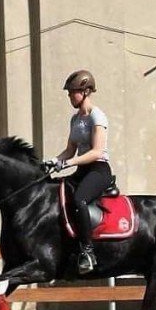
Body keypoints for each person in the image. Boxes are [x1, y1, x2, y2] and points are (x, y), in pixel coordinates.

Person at [45, 70, 113, 274]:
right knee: (58, 193)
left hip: (98, 169)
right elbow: (70, 149)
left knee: (80, 200)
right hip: (82, 169)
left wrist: (68, 163)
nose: (69, 96)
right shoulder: (75, 119)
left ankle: (88, 252)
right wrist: (54, 161)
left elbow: (96, 151)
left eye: (72, 92)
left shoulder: (97, 116)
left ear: (85, 91)